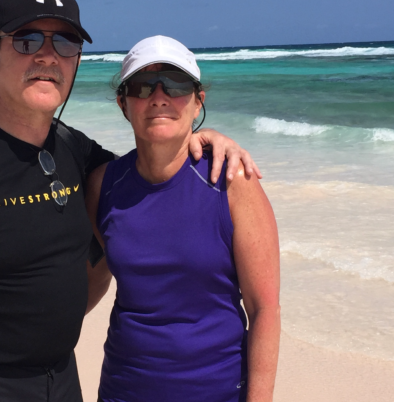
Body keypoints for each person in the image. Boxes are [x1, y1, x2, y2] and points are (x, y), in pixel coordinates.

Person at [0, 0, 261, 402]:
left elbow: (149, 170)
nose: (48, 55)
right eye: (27, 39)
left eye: (66, 42)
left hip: (61, 380)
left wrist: (203, 136)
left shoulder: (76, 151)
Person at [86, 36, 281, 402]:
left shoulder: (233, 181)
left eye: (175, 85)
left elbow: (265, 309)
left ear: (197, 102)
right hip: (122, 389)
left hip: (217, 390)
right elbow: (94, 274)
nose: (159, 97)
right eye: (143, 86)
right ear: (123, 104)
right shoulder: (103, 185)